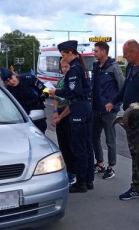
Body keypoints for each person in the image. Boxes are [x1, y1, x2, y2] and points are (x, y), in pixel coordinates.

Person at [105, 39, 139, 200]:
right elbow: (125, 89)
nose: (124, 57)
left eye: (126, 53)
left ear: (135, 53)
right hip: (130, 118)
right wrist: (113, 101)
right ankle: (137, 187)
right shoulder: (130, 67)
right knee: (135, 154)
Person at [48, 40, 93, 193]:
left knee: (79, 146)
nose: (63, 59)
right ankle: (88, 180)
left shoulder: (74, 69)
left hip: (78, 108)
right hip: (85, 107)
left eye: (63, 55)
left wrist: (56, 92)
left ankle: (81, 183)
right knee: (87, 145)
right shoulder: (80, 68)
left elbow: (74, 92)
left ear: (69, 53)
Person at [91, 41, 125, 180]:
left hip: (109, 110)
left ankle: (111, 167)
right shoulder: (96, 67)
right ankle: (100, 163)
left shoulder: (113, 67)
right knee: (94, 137)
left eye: (96, 51)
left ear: (104, 51)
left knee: (110, 139)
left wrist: (114, 103)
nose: (94, 53)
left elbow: (123, 86)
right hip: (95, 108)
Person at [51, 59, 77, 186]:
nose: (65, 69)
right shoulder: (61, 81)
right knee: (63, 144)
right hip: (59, 114)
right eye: (63, 67)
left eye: (67, 66)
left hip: (68, 115)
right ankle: (67, 169)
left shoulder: (72, 82)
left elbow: (71, 103)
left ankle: (74, 172)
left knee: (71, 145)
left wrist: (60, 117)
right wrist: (55, 111)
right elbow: (56, 97)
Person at [0, 67, 47, 133]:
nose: (11, 82)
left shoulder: (28, 78)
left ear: (14, 75)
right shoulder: (9, 90)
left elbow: (44, 89)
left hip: (37, 112)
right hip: (22, 117)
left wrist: (44, 94)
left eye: (11, 78)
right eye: (7, 82)